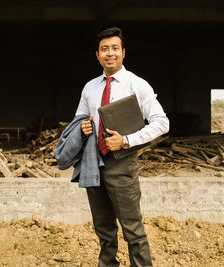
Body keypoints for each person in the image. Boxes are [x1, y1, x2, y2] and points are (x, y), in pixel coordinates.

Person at [75, 27, 169, 267]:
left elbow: (162, 123)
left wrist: (127, 140)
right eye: (104, 49)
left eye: (115, 48)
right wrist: (83, 128)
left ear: (123, 52)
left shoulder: (136, 85)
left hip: (122, 163)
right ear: (97, 54)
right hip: (93, 163)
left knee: (133, 230)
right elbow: (80, 119)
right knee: (103, 228)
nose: (110, 53)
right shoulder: (90, 87)